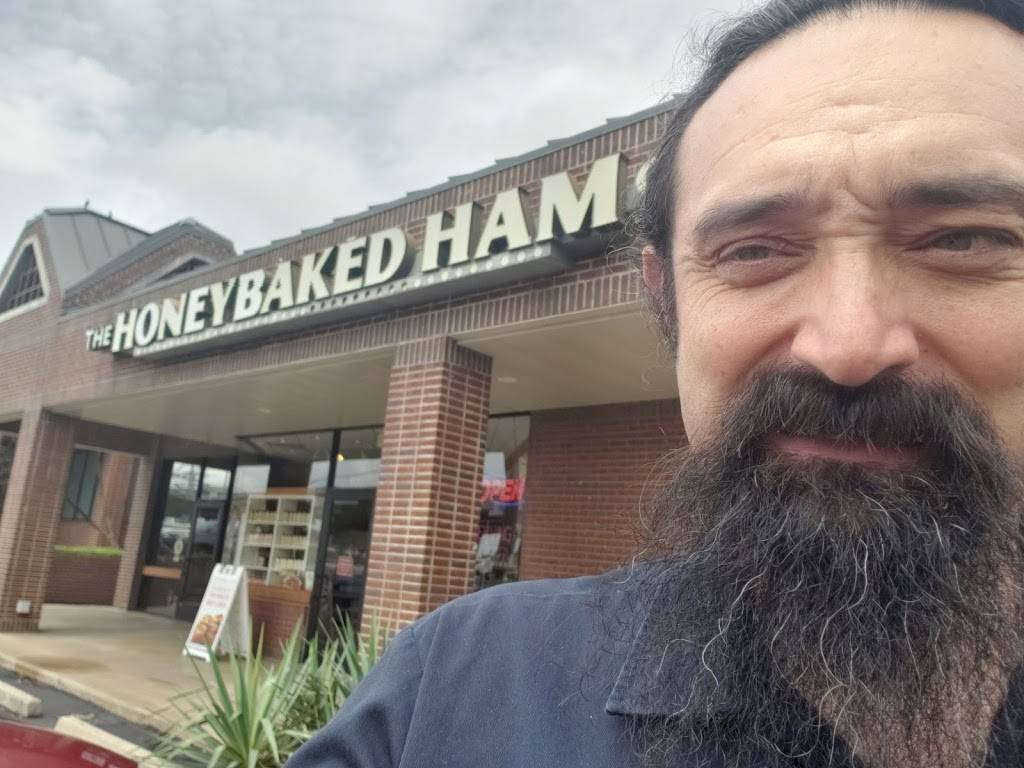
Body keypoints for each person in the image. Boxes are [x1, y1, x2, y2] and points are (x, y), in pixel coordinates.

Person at [286, 1, 1024, 765]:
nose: (847, 347)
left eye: (965, 239)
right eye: (753, 251)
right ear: (667, 300)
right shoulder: (446, 694)